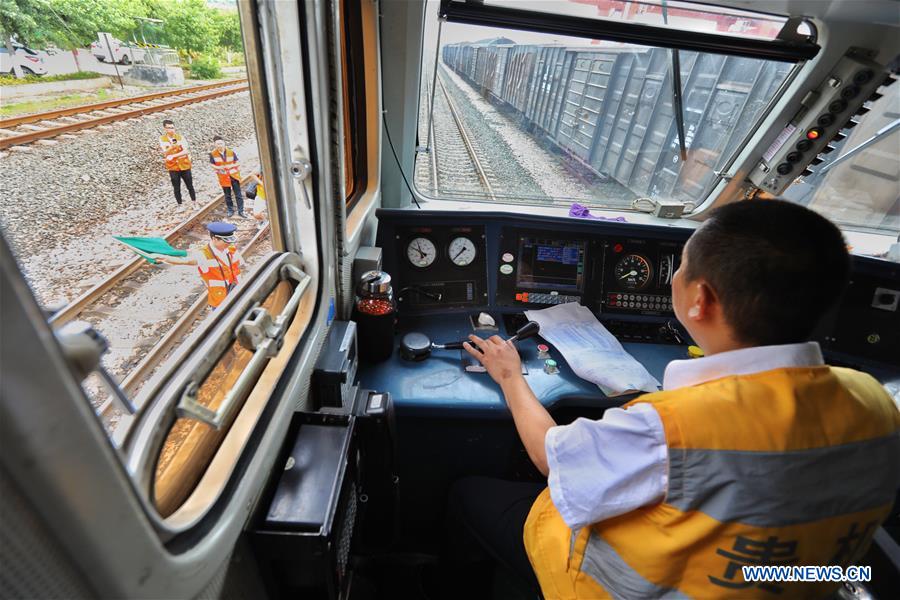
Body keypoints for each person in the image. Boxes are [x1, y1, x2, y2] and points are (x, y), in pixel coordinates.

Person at [455, 200, 900, 598]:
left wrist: (511, 376)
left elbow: (552, 460)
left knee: (466, 493)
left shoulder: (671, 427)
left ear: (700, 300)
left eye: (682, 267)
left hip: (603, 587)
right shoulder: (877, 403)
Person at [157, 222, 242, 309]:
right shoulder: (203, 254)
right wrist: (166, 259)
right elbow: (186, 261)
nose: (228, 244)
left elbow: (237, 268)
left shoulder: (231, 249)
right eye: (226, 241)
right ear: (214, 239)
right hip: (220, 299)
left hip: (237, 291)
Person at [159, 119, 196, 206]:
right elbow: (165, 152)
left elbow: (186, 151)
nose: (171, 130)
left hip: (184, 165)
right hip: (173, 167)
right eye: (169, 128)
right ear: (165, 129)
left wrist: (174, 156)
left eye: (172, 128)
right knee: (176, 187)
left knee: (190, 185)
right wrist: (172, 147)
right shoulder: (162, 139)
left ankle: (194, 201)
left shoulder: (180, 137)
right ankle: (180, 204)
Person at [209, 135, 245, 218]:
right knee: (227, 195)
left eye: (221, 143)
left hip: (233, 175)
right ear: (215, 145)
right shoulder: (213, 154)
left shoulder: (231, 152)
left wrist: (230, 166)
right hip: (224, 177)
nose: (219, 145)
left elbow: (238, 162)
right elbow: (212, 164)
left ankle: (241, 211)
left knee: (238, 194)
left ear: (224, 143)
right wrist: (219, 167)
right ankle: (230, 210)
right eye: (217, 144)